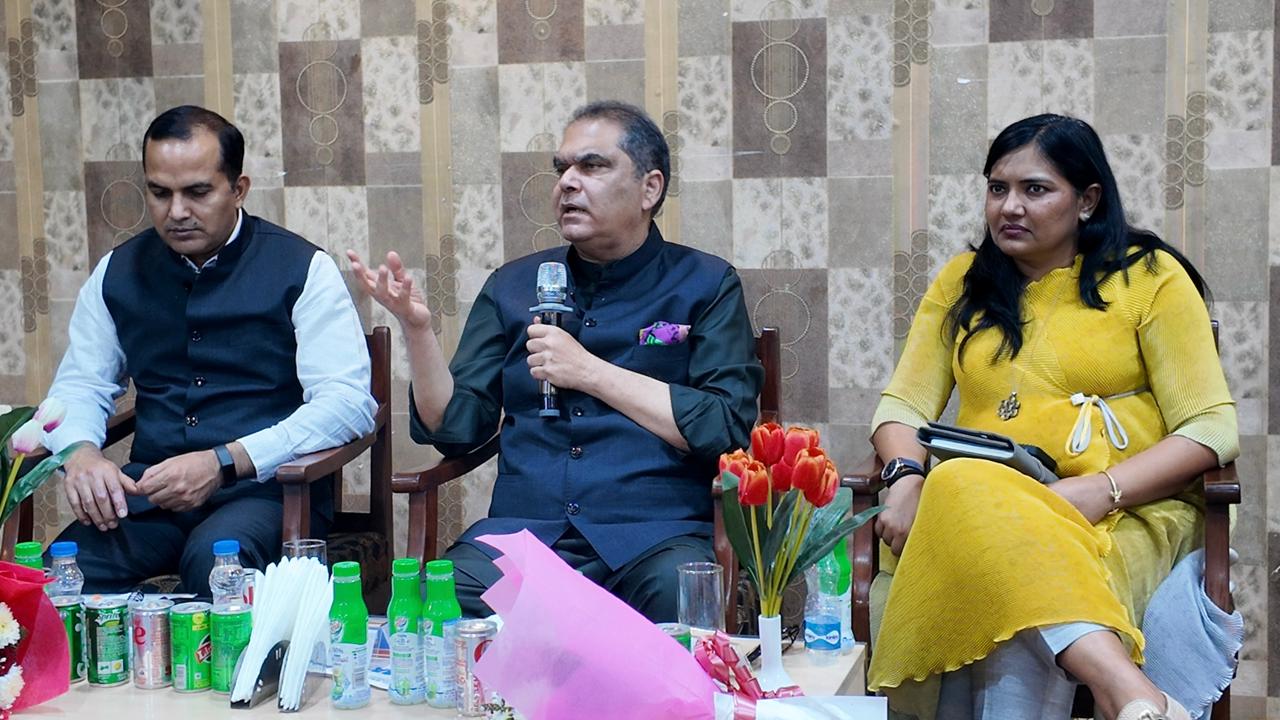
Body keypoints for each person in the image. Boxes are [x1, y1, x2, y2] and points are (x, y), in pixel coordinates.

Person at [866, 114, 1237, 720]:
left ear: (1087, 200)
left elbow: (1210, 427)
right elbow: (902, 406)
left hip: (1124, 511)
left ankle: (1124, 691)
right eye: (997, 188)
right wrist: (905, 478)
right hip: (983, 500)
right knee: (965, 489)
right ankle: (1129, 692)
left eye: (1034, 189)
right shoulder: (962, 283)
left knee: (997, 563)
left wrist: (1099, 489)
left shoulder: (1149, 277)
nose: (1009, 207)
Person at [349, 101, 762, 622]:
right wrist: (418, 332)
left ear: (650, 189)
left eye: (592, 166)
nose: (567, 182)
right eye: (562, 168)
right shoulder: (513, 286)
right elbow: (456, 428)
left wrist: (589, 371)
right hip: (527, 534)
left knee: (681, 601)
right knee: (435, 605)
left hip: (655, 536)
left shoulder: (705, 284)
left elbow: (725, 426)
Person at [44, 105, 377, 596]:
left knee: (217, 566)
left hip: (267, 494)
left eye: (197, 192)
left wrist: (225, 461)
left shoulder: (303, 268)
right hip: (149, 496)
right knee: (56, 577)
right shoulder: (118, 271)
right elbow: (80, 385)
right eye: (160, 193)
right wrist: (81, 454)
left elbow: (349, 405)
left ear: (238, 189)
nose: (177, 211)